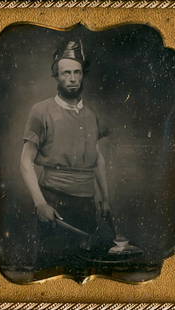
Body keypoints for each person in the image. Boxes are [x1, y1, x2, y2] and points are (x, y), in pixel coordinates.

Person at [20, 40, 135, 266]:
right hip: (54, 199)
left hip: (86, 202)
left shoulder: (91, 115)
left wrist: (104, 197)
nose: (72, 79)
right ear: (57, 76)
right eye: (66, 73)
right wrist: (40, 204)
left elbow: (97, 158)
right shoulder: (41, 111)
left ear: (83, 75)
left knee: (83, 268)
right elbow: (25, 161)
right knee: (51, 267)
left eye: (77, 72)